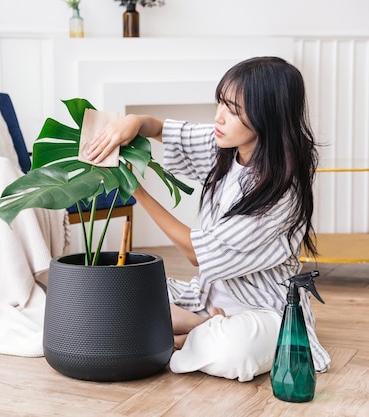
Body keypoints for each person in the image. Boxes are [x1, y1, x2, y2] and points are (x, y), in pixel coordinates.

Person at [84, 56, 330, 382]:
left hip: (263, 311)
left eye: (234, 110)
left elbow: (195, 253)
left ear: (267, 117)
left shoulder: (281, 193)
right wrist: (134, 121)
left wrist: (136, 191)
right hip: (205, 298)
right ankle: (200, 326)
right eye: (220, 103)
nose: (219, 117)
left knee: (233, 353)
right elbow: (163, 130)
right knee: (115, 296)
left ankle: (194, 331)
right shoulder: (228, 145)